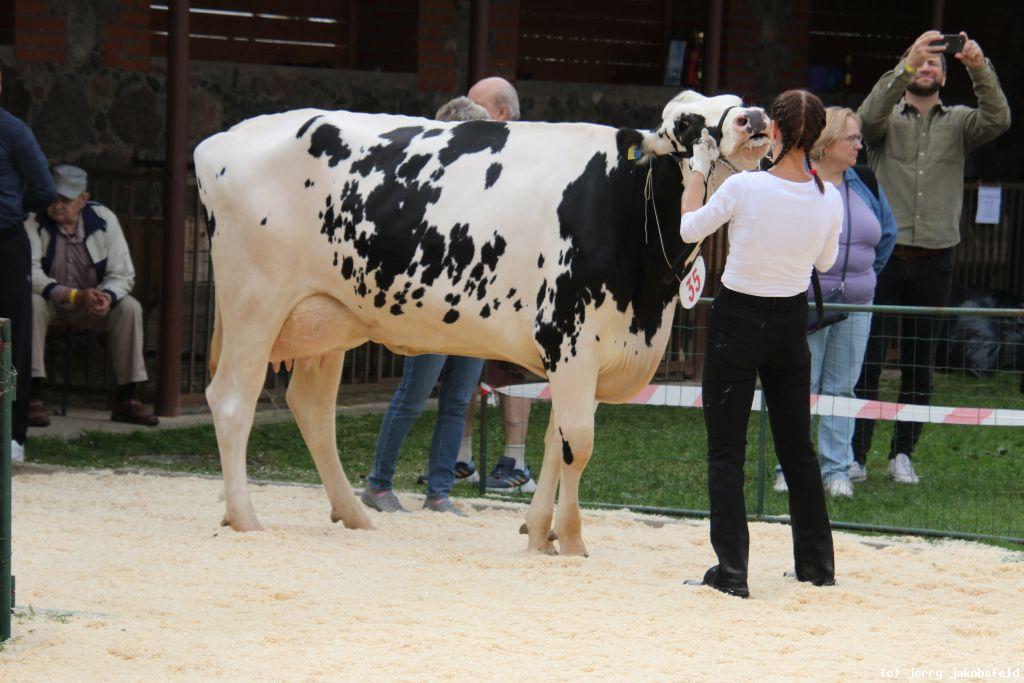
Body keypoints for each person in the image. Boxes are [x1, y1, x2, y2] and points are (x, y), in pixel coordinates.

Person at [680, 90, 843, 598]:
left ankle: (732, 573)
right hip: (789, 322)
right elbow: (824, 263)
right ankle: (816, 567)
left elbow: (689, 229)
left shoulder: (745, 187)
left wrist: (697, 173)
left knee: (726, 451)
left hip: (737, 320)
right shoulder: (829, 196)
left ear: (773, 129)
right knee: (798, 450)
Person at [852, 30, 1010, 484]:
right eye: (919, 61)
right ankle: (856, 456)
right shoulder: (885, 120)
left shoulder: (960, 122)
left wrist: (979, 66)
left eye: (934, 64)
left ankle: (902, 454)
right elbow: (863, 118)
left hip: (936, 257)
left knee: (919, 362)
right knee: (869, 359)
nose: (926, 68)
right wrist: (904, 65)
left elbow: (999, 118)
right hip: (885, 257)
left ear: (944, 77)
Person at [359, 97, 491, 517]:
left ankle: (439, 493)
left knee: (457, 402)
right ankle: (378, 484)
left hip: (472, 305)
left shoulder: (486, 187)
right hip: (432, 306)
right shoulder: (425, 186)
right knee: (413, 397)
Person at [773, 107, 897, 498]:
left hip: (857, 306)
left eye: (859, 138)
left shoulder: (866, 182)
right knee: (801, 386)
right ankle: (789, 468)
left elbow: (887, 235)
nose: (859, 145)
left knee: (843, 389)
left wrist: (862, 278)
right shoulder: (797, 181)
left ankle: (837, 471)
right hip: (806, 305)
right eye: (852, 138)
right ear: (826, 144)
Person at [25, 164, 159, 427]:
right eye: (53, 197)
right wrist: (74, 296)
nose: (57, 205)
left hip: (91, 303)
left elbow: (123, 273)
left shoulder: (103, 219)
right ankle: (32, 396)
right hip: (52, 301)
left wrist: (106, 297)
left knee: (129, 307)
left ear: (83, 200)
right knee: (31, 304)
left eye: (65, 200)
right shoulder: (33, 219)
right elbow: (30, 274)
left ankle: (127, 397)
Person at [457, 76, 537, 494]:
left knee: (513, 372)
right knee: (464, 367)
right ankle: (460, 458)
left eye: (477, 105)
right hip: (471, 282)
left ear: (503, 112)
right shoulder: (468, 151)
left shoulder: (528, 154)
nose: (467, 112)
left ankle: (515, 465)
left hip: (515, 281)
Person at [0, 68, 57, 464]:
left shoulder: (13, 130)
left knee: (11, 335)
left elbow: (44, 189)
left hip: (5, 242)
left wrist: (11, 209)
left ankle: (13, 435)